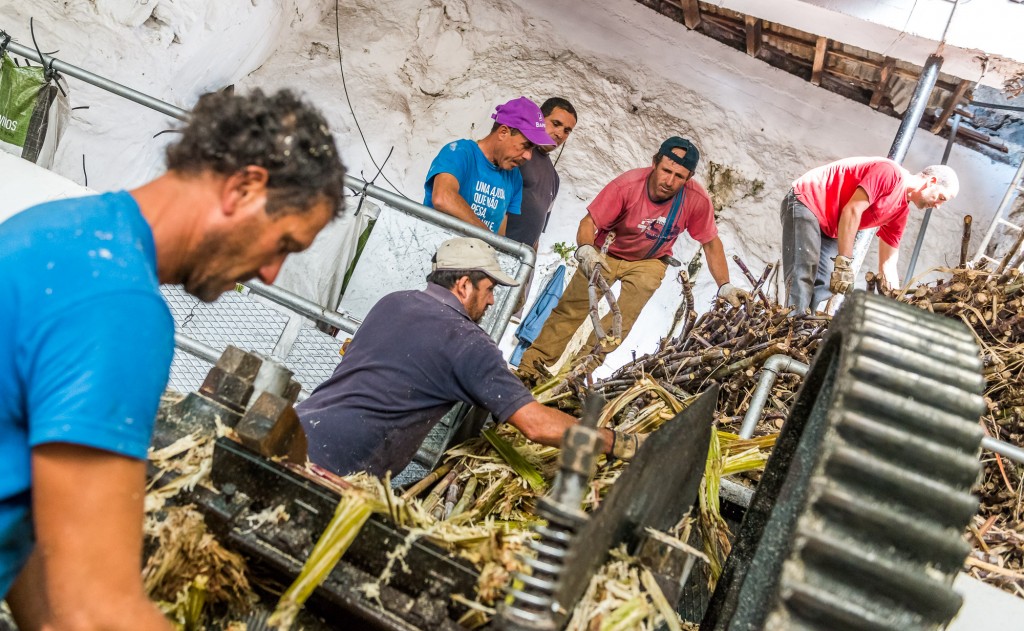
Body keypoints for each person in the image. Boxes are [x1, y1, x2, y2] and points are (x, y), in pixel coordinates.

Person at [0, 89, 346, 629]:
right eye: (283, 243)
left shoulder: (61, 227)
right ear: (244, 187)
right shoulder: (121, 308)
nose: (274, 273)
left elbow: (26, 527)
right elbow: (96, 611)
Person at [296, 237, 642, 478]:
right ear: (464, 285)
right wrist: (614, 441)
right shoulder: (467, 341)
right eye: (489, 289)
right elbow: (536, 425)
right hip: (339, 466)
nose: (491, 301)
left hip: (296, 428)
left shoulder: (394, 301)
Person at [516, 137, 748, 380]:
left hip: (649, 261)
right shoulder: (627, 186)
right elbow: (589, 222)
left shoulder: (696, 200)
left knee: (620, 321)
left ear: (688, 178)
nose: (669, 181)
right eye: (666, 171)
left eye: (679, 176)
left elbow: (710, 243)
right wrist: (586, 250)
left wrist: (725, 285)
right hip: (606, 251)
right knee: (571, 309)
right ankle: (529, 370)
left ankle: (575, 375)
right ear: (655, 164)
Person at [781, 157, 958, 312]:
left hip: (830, 225)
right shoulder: (891, 173)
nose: (938, 206)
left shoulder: (900, 212)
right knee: (803, 270)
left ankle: (802, 325)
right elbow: (852, 210)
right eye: (941, 198)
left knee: (827, 281)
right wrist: (844, 262)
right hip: (808, 201)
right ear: (932, 181)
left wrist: (897, 302)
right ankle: (792, 324)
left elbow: (888, 265)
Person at [423, 97, 556, 235]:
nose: (528, 156)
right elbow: (443, 198)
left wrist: (496, 250)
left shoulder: (514, 176)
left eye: (532, 149)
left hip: (481, 255)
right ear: (503, 132)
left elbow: (500, 232)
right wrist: (487, 238)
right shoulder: (459, 152)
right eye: (526, 145)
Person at [505, 97, 577, 315]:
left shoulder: (554, 178)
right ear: (540, 117)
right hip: (497, 250)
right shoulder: (519, 153)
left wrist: (526, 277)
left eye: (567, 130)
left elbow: (536, 235)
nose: (560, 134)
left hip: (519, 263)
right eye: (555, 124)